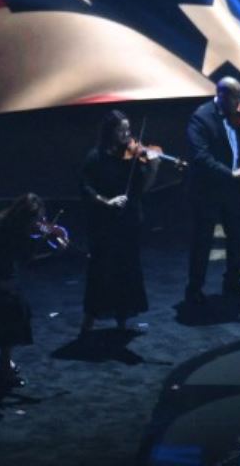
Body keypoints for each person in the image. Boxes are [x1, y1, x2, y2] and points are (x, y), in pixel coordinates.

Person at [79, 109, 162, 333]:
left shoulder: (132, 158)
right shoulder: (96, 157)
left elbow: (141, 189)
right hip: (104, 224)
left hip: (129, 222)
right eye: (122, 129)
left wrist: (153, 168)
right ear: (110, 131)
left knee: (127, 271)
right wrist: (107, 201)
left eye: (128, 129)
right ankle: (88, 320)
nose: (127, 134)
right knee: (100, 271)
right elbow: (85, 188)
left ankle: (122, 321)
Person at [0, 193, 57, 384]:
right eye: (37, 219)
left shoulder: (17, 229)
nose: (40, 223)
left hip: (5, 270)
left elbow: (25, 258)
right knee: (6, 312)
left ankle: (4, 358)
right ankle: (5, 364)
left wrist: (49, 244)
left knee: (16, 310)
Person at [185, 77, 240, 304]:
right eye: (236, 98)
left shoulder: (238, 119)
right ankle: (194, 290)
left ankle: (233, 283)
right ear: (223, 95)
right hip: (208, 191)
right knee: (203, 241)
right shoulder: (201, 118)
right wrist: (230, 173)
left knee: (237, 237)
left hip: (234, 190)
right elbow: (200, 156)